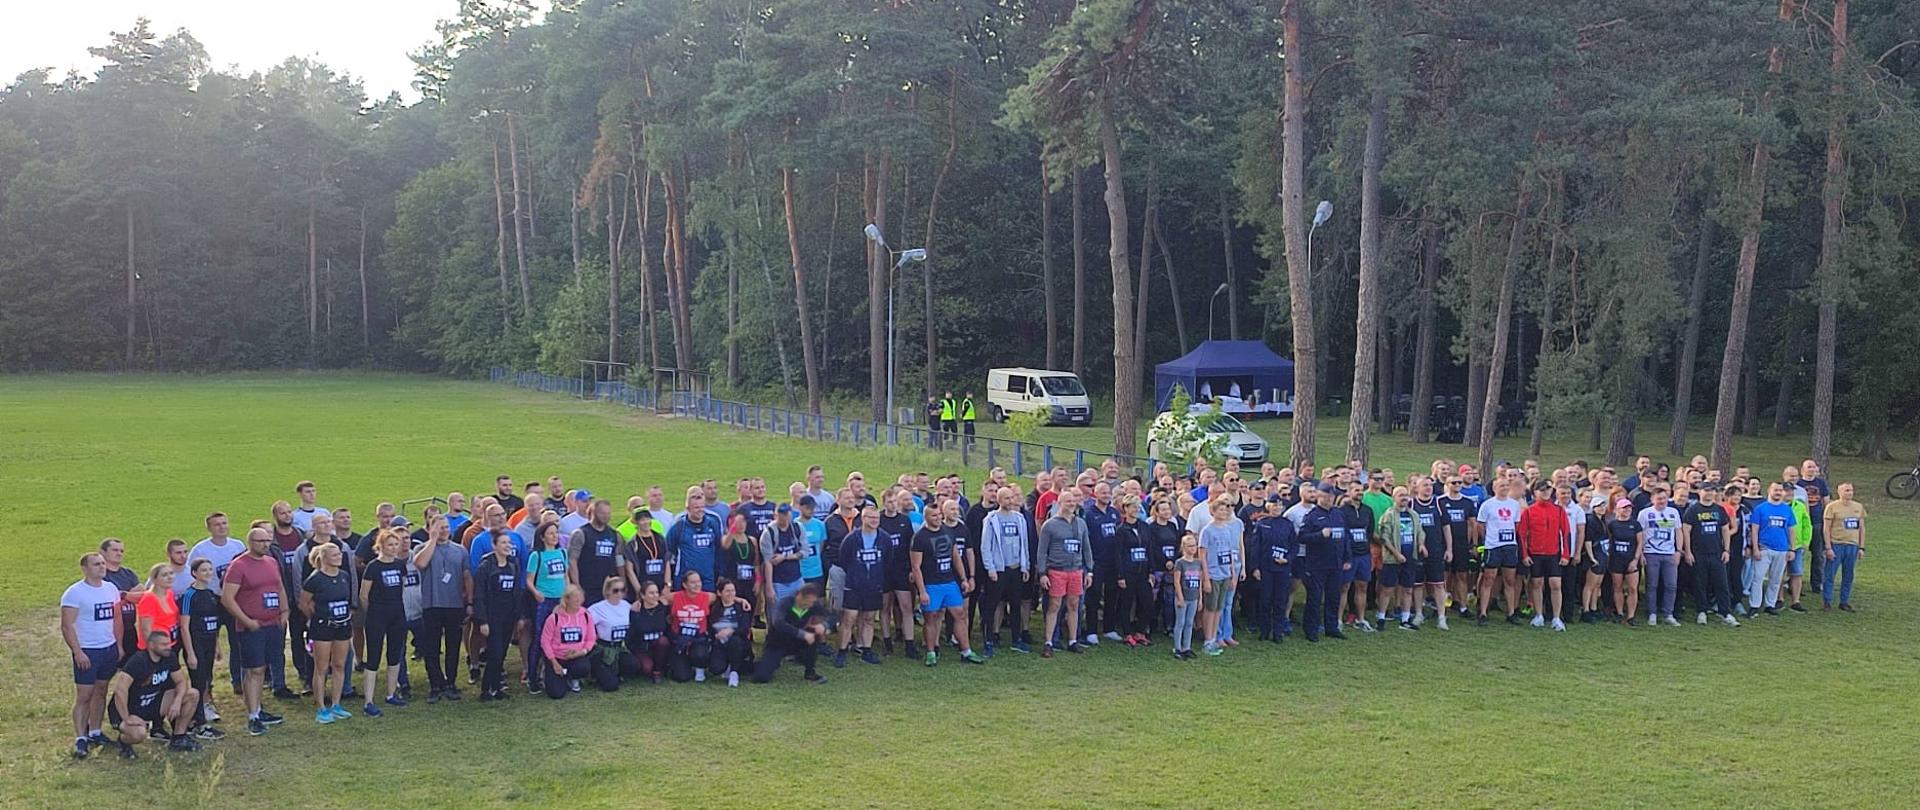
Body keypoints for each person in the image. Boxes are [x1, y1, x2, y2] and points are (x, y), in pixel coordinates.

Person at [220, 527, 286, 736]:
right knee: (254, 670)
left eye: (267, 540)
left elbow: (279, 587)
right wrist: (246, 621)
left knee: (264, 667)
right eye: (260, 541)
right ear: (250, 542)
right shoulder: (238, 566)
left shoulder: (272, 562)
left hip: (272, 624)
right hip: (252, 626)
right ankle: (252, 716)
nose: (265, 545)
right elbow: (227, 598)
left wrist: (284, 610)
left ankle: (259, 708)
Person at [911, 499, 985, 666]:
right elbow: (916, 567)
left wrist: (964, 578)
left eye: (939, 515)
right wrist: (922, 591)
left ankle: (966, 650)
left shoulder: (947, 531)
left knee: (960, 614)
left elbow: (955, 557)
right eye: (933, 516)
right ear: (926, 517)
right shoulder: (920, 537)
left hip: (949, 581)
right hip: (931, 584)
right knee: (931, 617)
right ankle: (931, 652)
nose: (937, 518)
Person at [63, 552, 123, 758]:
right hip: (88, 650)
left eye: (103, 563)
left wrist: (119, 645)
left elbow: (117, 619)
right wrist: (78, 652)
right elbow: (67, 625)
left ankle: (96, 731)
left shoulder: (111, 589)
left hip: (108, 648)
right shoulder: (75, 593)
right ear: (85, 568)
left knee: (101, 690)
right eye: (96, 564)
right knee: (84, 695)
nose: (102, 567)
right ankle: (81, 737)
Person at [110, 630, 203, 755]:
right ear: (152, 645)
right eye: (163, 645)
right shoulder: (138, 660)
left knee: (192, 694)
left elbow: (181, 681)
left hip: (152, 703)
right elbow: (120, 690)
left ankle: (179, 738)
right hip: (128, 709)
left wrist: (177, 701)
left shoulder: (169, 657)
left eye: (169, 644)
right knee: (139, 734)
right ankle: (124, 742)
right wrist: (127, 718)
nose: (168, 647)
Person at [411, 513, 469, 702]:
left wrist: (469, 601)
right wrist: (433, 540)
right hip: (432, 604)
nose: (444, 531)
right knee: (431, 647)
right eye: (439, 528)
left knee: (453, 646)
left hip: (454, 605)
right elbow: (420, 563)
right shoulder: (422, 548)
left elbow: (467, 576)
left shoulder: (460, 550)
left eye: (446, 527)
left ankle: (450, 682)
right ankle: (435, 684)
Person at [299, 542, 355, 724]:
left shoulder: (345, 576)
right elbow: (304, 603)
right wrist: (316, 617)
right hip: (322, 628)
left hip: (343, 626)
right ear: (323, 558)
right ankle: (321, 706)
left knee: (339, 665)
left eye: (339, 554)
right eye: (334, 555)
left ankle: (336, 704)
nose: (339, 557)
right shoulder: (314, 580)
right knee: (321, 668)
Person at [357, 528, 412, 713]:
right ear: (380, 546)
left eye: (396, 544)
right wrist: (371, 612)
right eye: (390, 544)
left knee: (395, 655)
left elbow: (402, 588)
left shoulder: (399, 564)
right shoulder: (373, 566)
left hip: (397, 614)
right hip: (377, 615)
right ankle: (369, 701)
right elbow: (364, 595)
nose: (394, 548)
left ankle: (391, 694)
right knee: (373, 657)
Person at [1036, 489, 1092, 658]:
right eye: (1068, 501)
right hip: (1056, 571)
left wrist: (1089, 571)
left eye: (1073, 501)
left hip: (1076, 570)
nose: (1072, 504)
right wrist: (1042, 573)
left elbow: (1086, 548)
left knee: (1075, 605)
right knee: (1054, 606)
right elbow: (1042, 551)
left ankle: (1073, 640)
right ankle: (1049, 642)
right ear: (1059, 503)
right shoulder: (1050, 525)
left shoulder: (1081, 523)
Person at [978, 484, 1032, 656]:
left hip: (1015, 568)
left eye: (1012, 497)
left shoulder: (1019, 519)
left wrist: (1025, 565)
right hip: (999, 570)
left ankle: (1016, 639)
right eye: (1007, 498)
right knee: (992, 605)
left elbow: (1024, 544)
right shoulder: (991, 519)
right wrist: (990, 568)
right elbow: (985, 546)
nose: (1011, 501)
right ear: (1000, 500)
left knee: (1015, 604)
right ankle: (988, 640)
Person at [1298, 486, 1354, 642]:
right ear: (1318, 497)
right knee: (1315, 598)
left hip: (1335, 563)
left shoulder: (1338, 514)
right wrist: (1319, 535)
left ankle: (1332, 627)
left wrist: (1347, 558)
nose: (1328, 499)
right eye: (1324, 496)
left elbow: (1346, 537)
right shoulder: (1311, 516)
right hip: (1317, 564)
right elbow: (1302, 537)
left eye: (1330, 496)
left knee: (1333, 597)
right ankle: (1311, 630)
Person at [835, 506, 888, 667]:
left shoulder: (884, 538)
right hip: (854, 585)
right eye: (870, 517)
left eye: (876, 518)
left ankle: (866, 650)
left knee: (869, 619)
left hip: (874, 585)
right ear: (863, 519)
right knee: (849, 618)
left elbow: (887, 560)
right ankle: (842, 651)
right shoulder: (852, 539)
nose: (874, 521)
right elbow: (843, 559)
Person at [1682, 485, 1739, 626]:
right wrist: (1688, 552)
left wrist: (1726, 550)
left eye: (1711, 491)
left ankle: (1725, 613)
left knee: (1722, 584)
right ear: (1700, 492)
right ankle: (1702, 611)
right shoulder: (1693, 510)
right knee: (1700, 584)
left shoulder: (1719, 510)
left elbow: (1725, 530)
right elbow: (1686, 532)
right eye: (1706, 490)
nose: (1709, 493)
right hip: (1698, 553)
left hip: (1717, 553)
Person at [180, 559, 226, 735]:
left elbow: (213, 624)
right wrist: (190, 653)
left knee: (206, 680)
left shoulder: (210, 594)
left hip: (208, 643)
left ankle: (197, 718)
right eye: (204, 570)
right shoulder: (189, 595)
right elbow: (184, 626)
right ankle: (199, 723)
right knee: (198, 683)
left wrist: (217, 646)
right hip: (196, 644)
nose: (208, 573)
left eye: (210, 570)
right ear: (194, 573)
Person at [751, 584, 830, 684]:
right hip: (778, 643)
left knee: (815, 633)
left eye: (813, 602)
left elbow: (831, 616)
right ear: (800, 596)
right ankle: (759, 664)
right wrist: (802, 634)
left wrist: (824, 625)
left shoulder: (813, 605)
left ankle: (810, 671)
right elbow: (778, 623)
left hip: (797, 642)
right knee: (761, 677)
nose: (811, 605)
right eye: (809, 601)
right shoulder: (785, 603)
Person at [1517, 482, 1569, 632]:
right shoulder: (1529, 511)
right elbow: (1522, 534)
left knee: (1556, 585)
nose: (1546, 493)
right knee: (1537, 583)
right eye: (1542, 490)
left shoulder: (1558, 511)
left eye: (1548, 490)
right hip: (1536, 553)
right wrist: (1525, 555)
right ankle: (1539, 614)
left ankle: (1556, 617)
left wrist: (1565, 553)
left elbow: (1565, 533)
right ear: (1535, 493)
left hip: (1554, 553)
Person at [525, 521, 569, 694]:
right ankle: (532, 677)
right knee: (539, 638)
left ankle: (556, 672)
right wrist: (536, 592)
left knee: (559, 636)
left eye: (555, 533)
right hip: (544, 600)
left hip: (560, 601)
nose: (554, 536)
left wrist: (568, 594)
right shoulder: (537, 555)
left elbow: (565, 577)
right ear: (542, 537)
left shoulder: (562, 553)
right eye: (550, 533)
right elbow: (529, 579)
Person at [1472, 479, 1524, 627]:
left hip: (1509, 546)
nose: (1505, 488)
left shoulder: (1514, 504)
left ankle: (1511, 612)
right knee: (1489, 579)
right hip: (1493, 546)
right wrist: (1489, 537)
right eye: (1502, 485)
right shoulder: (1488, 504)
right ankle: (1482, 612)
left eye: (1507, 485)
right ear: (1494, 488)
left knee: (1510, 580)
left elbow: (1516, 524)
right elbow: (1480, 525)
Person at [1747, 483, 1797, 616]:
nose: (1778, 492)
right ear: (1769, 490)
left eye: (1780, 490)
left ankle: (1770, 604)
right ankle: (1755, 605)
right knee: (1757, 578)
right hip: (1764, 548)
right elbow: (1754, 529)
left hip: (1782, 549)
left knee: (1776, 579)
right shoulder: (1760, 509)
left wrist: (1792, 549)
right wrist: (1755, 548)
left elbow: (1792, 530)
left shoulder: (1787, 510)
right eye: (1775, 490)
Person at [1113, 494, 1156, 646]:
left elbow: (1149, 548)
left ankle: (1140, 631)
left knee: (1148, 604)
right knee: (1126, 603)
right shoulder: (1121, 530)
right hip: (1128, 572)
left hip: (1143, 572)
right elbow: (1117, 554)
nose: (1136, 509)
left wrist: (1151, 571)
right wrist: (1120, 575)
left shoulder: (1144, 527)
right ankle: (1127, 633)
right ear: (1125, 508)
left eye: (1138, 506)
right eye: (1133, 506)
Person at [1410, 477, 1452, 631]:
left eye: (1430, 485)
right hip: (1417, 551)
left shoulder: (1438, 504)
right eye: (1425, 485)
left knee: (1439, 584)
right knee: (1418, 584)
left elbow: (1446, 527)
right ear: (1417, 488)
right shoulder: (1411, 504)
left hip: (1436, 550)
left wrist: (1449, 549)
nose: (1428, 488)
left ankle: (1442, 617)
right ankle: (1419, 614)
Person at [1252, 496, 1296, 641]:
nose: (1277, 508)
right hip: (1265, 568)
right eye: (1274, 505)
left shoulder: (1287, 525)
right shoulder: (1262, 524)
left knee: (1280, 601)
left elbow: (1293, 546)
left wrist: (1287, 559)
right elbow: (1255, 547)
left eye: (1280, 505)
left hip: (1282, 569)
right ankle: (1264, 631)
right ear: (1268, 506)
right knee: (1265, 600)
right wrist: (1255, 568)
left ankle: (1278, 632)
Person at [585, 575, 640, 691]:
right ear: (607, 591)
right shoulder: (597, 608)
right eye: (616, 590)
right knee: (611, 686)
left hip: (619, 646)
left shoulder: (625, 605)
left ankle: (616, 672)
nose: (619, 593)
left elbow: (636, 608)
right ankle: (597, 672)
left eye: (622, 590)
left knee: (634, 665)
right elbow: (585, 624)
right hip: (603, 648)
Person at [540, 584, 596, 698]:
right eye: (575, 597)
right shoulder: (554, 618)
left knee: (584, 667)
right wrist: (554, 662)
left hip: (576, 657)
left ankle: (571, 677)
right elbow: (545, 642)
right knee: (556, 694)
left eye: (580, 597)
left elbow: (591, 638)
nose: (578, 600)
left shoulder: (586, 615)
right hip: (557, 658)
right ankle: (550, 674)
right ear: (566, 599)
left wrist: (582, 652)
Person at [1378, 487, 1422, 631]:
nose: (1404, 498)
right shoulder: (1389, 515)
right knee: (1388, 589)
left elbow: (1420, 532)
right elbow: (1385, 538)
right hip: (1392, 559)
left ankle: (1405, 619)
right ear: (1394, 497)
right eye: (1401, 495)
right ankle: (1381, 617)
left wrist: (1421, 545)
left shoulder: (1413, 515)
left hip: (1410, 557)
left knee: (1408, 588)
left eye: (1406, 495)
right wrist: (1396, 554)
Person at [666, 487, 722, 590]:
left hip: (707, 578)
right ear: (688, 509)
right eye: (696, 508)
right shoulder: (679, 527)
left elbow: (719, 549)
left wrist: (720, 573)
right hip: (685, 578)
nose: (700, 510)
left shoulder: (712, 523)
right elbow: (669, 550)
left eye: (702, 507)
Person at [1822, 482, 1865, 611]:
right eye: (1846, 490)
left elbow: (1862, 528)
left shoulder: (1858, 507)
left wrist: (1861, 547)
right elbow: (1826, 528)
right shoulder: (1832, 507)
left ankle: (1844, 601)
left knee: (1848, 575)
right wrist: (1828, 547)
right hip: (1836, 544)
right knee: (1830, 574)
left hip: (1852, 545)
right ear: (1839, 492)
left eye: (1851, 490)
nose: (1849, 493)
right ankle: (1827, 601)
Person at [1600, 499, 1644, 626]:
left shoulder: (1635, 525)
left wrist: (1635, 560)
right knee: (1617, 587)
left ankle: (1631, 616)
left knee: (1632, 588)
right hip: (1616, 559)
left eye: (1629, 508)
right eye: (1624, 508)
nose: (1627, 510)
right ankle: (1619, 613)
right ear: (1618, 509)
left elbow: (1640, 542)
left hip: (1631, 559)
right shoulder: (1612, 524)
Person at [706, 579, 756, 686]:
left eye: (733, 591)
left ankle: (734, 672)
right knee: (716, 669)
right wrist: (715, 635)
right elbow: (709, 627)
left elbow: (745, 627)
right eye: (727, 591)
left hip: (738, 643)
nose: (731, 594)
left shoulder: (742, 607)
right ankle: (727, 665)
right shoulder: (713, 608)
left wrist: (731, 630)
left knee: (735, 641)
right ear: (719, 593)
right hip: (720, 643)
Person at [668, 571, 715, 681]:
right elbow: (656, 600)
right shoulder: (675, 597)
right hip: (680, 639)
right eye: (693, 582)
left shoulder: (708, 597)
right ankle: (683, 662)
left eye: (698, 581)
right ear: (685, 585)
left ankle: (700, 666)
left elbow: (725, 596)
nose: (697, 584)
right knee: (681, 677)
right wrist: (639, 603)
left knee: (700, 654)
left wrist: (740, 599)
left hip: (699, 638)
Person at [760, 503, 809, 605]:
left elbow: (805, 552)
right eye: (782, 514)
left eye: (787, 513)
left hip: (796, 579)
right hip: (778, 582)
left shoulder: (797, 528)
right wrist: (769, 587)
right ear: (775, 516)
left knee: (799, 612)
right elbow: (768, 562)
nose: (785, 517)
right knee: (778, 615)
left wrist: (785, 557)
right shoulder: (769, 533)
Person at [718, 513, 762, 625]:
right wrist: (732, 529)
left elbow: (756, 563)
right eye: (737, 522)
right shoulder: (727, 538)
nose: (741, 525)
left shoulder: (752, 540)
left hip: (749, 580)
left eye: (743, 521)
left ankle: (748, 630)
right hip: (734, 579)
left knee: (750, 605)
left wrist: (758, 580)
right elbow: (725, 545)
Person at [1170, 536, 1208, 659]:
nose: (1193, 548)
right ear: (1184, 547)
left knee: (1189, 623)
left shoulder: (1198, 562)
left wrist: (1200, 598)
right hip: (1183, 597)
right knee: (1180, 623)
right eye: (1190, 546)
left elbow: (1200, 581)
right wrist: (1180, 597)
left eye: (1194, 545)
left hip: (1194, 597)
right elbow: (1176, 581)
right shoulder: (1180, 563)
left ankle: (1187, 647)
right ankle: (1177, 648)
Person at [627, 580, 672, 683]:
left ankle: (658, 670)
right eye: (651, 593)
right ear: (643, 595)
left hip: (659, 646)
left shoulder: (664, 608)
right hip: (642, 647)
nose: (655, 595)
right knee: (647, 668)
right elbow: (631, 635)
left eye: (656, 592)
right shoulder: (635, 610)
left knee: (663, 641)